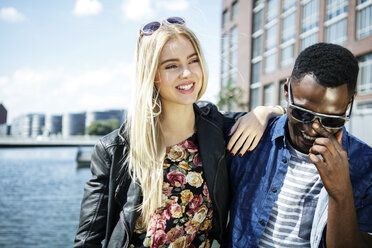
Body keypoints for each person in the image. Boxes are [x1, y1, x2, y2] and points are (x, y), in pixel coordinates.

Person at [74, 17, 283, 248]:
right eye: (171, 65)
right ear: (152, 75)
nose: (187, 73)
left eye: (193, 61)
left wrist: (265, 111)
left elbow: (281, 118)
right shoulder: (115, 149)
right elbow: (86, 241)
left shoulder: (218, 129)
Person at [226, 42, 372, 248]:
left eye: (330, 120)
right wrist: (265, 111)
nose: (312, 129)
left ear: (349, 103)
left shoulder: (365, 165)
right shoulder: (253, 136)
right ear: (287, 90)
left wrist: (341, 193)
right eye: (301, 113)